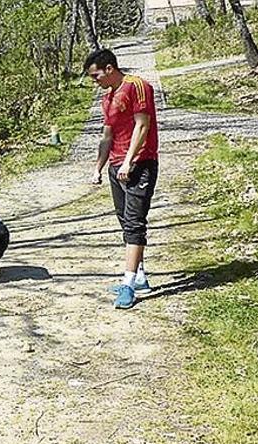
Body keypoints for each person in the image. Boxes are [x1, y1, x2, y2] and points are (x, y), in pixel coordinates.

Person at [84, 48, 159, 309]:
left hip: (140, 164)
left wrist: (129, 160)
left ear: (109, 69)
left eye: (96, 75)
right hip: (116, 167)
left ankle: (128, 286)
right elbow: (107, 136)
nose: (94, 81)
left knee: (134, 224)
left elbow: (142, 125)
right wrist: (98, 167)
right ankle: (139, 277)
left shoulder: (137, 86)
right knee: (125, 221)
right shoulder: (107, 98)